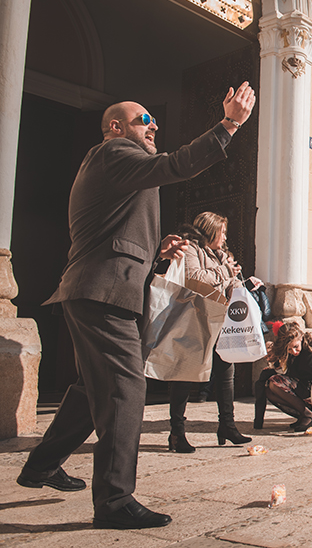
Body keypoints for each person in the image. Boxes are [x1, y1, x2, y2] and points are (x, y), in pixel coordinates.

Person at [16, 83, 255, 530]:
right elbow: (177, 165)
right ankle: (113, 501)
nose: (154, 125)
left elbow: (112, 232)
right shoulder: (112, 153)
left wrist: (155, 250)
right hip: (102, 293)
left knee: (93, 390)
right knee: (126, 390)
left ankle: (41, 466)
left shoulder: (119, 167)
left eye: (152, 119)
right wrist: (230, 124)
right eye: (144, 119)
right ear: (115, 127)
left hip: (101, 291)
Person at [166, 212, 254, 453]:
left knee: (227, 373)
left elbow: (229, 286)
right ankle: (177, 433)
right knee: (185, 375)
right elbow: (194, 277)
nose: (225, 237)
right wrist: (225, 272)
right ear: (210, 229)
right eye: (222, 231)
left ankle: (227, 426)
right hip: (195, 317)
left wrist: (237, 279)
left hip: (221, 319)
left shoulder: (222, 255)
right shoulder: (192, 249)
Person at [254, 322, 312, 431]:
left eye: (295, 347)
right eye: (289, 349)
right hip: (306, 388)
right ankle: (306, 414)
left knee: (274, 382)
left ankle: (309, 415)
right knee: (269, 390)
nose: (294, 352)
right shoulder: (291, 354)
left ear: (300, 338)